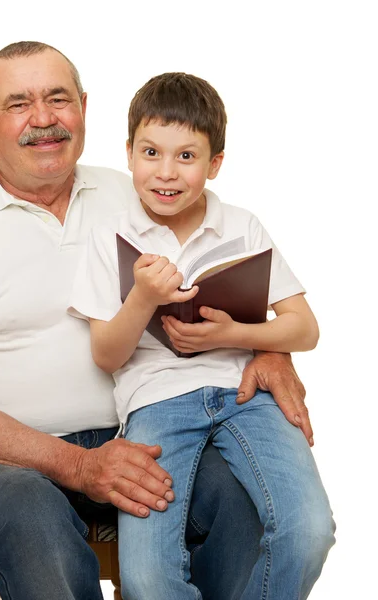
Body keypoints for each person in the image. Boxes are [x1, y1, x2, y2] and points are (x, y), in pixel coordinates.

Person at [0, 41, 315, 600]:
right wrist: (76, 463)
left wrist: (268, 351)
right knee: (36, 524)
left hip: (137, 431)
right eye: (18, 104)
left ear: (85, 109)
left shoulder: (141, 189)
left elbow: (227, 272)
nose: (42, 120)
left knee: (243, 504)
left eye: (58, 99)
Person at [68, 72, 335, 599]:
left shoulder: (242, 224)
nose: (166, 173)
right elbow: (106, 354)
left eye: (186, 157)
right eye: (151, 152)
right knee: (148, 578)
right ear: (128, 153)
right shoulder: (109, 235)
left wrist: (233, 332)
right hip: (156, 403)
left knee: (307, 531)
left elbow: (305, 329)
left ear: (214, 164)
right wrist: (143, 296)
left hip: (245, 396)